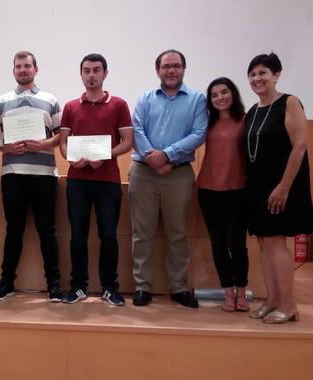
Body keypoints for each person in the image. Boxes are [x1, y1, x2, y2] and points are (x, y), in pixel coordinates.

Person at [130, 49, 208, 308]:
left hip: (179, 174)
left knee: (177, 234)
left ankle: (179, 287)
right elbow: (137, 129)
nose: (171, 70)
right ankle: (142, 287)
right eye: (166, 66)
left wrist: (167, 155)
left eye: (176, 66)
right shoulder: (144, 98)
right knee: (142, 233)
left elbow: (199, 133)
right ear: (157, 71)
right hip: (143, 173)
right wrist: (153, 158)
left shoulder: (197, 99)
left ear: (184, 69)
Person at [59, 53, 133, 305]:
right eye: (87, 70)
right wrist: (71, 159)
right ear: (81, 74)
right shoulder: (70, 107)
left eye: (96, 70)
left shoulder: (119, 104)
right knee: (77, 235)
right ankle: (78, 286)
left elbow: (128, 142)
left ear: (105, 73)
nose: (91, 75)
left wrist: (105, 155)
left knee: (109, 236)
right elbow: (63, 144)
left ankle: (110, 287)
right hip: (78, 179)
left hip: (108, 180)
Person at [244, 53, 312, 324]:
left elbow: (300, 146)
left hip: (282, 186)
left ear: (276, 75)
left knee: (275, 243)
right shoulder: (254, 109)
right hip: (258, 187)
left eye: (263, 73)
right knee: (263, 242)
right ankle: (272, 299)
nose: (257, 79)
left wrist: (284, 186)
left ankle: (289, 303)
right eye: (252, 74)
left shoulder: (289, 102)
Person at [0, 50, 63, 302]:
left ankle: (54, 285)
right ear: (13, 71)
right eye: (18, 66)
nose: (23, 70)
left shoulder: (50, 99)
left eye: (27, 66)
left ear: (36, 69)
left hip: (44, 174)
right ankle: (6, 283)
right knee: (14, 230)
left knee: (47, 230)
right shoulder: (2, 101)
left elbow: (60, 135)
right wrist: (6, 148)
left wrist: (43, 145)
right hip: (12, 174)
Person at [196, 77, 249, 312]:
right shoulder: (206, 123)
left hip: (237, 190)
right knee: (218, 244)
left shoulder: (246, 121)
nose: (219, 98)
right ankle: (228, 292)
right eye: (214, 95)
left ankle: (242, 292)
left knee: (237, 244)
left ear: (233, 93)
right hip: (208, 190)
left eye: (224, 92)